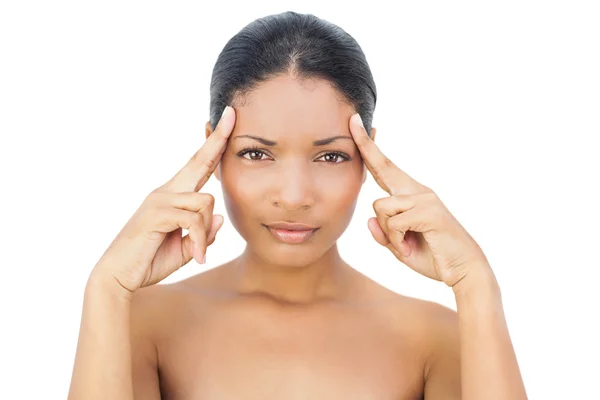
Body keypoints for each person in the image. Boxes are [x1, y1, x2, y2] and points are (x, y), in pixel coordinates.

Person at [67, 11, 527, 400]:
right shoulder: (143, 324)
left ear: (368, 156)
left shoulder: (435, 338)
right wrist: (105, 287)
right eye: (256, 153)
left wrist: (476, 285)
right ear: (214, 149)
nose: (293, 195)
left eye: (330, 156)